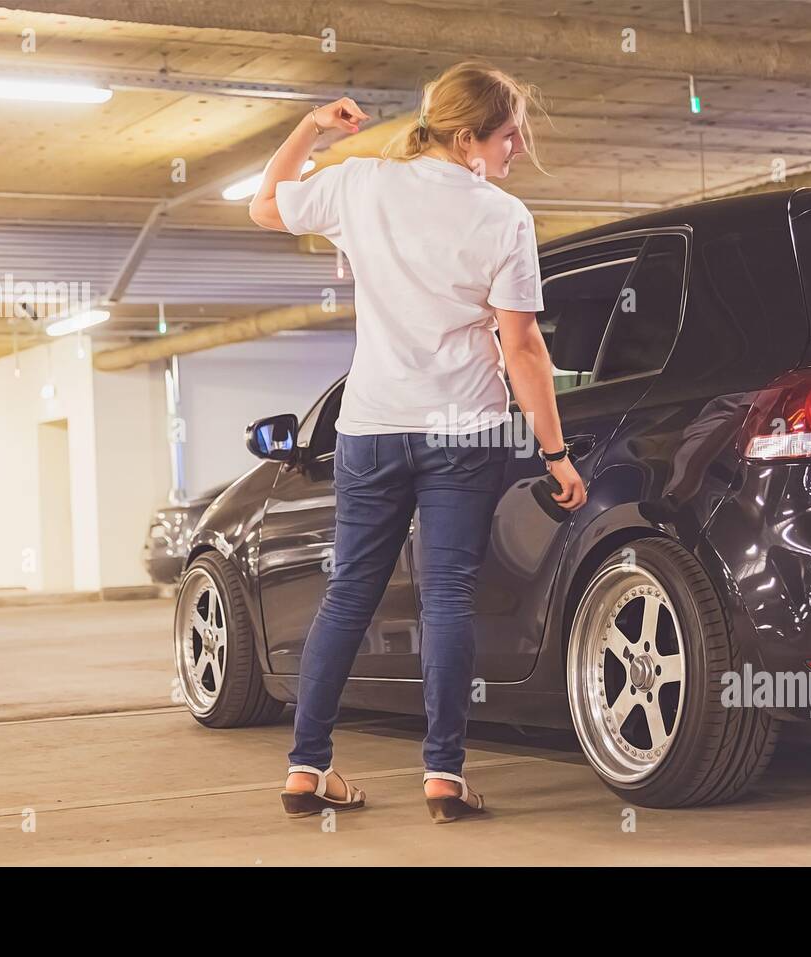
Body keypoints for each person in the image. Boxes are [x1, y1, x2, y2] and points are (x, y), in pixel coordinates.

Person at [248, 61, 586, 823]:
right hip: (464, 429)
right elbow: (522, 347)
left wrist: (310, 128)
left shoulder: (361, 183)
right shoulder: (502, 218)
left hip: (370, 426)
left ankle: (307, 766)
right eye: (509, 137)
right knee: (448, 597)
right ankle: (442, 775)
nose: (517, 151)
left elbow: (265, 205)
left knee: (349, 594)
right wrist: (556, 451)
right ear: (468, 137)